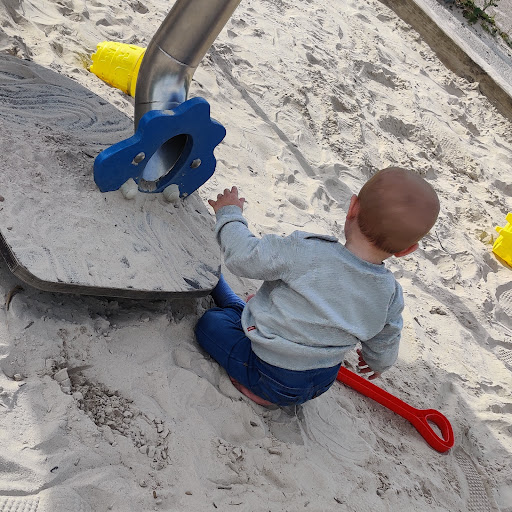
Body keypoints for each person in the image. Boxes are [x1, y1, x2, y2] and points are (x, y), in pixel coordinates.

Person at [195, 167, 440, 406]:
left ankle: (262, 393)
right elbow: (387, 339)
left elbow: (244, 257)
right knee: (256, 310)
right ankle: (240, 311)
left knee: (211, 323)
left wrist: (229, 214)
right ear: (407, 250)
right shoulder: (390, 294)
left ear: (352, 208)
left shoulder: (307, 250)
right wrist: (376, 363)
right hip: (320, 381)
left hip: (270, 373)